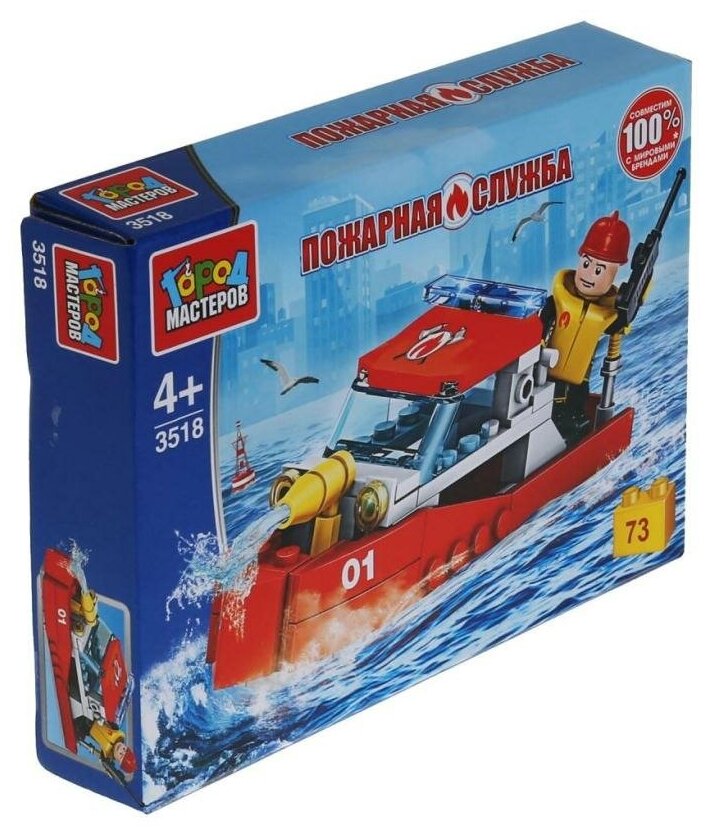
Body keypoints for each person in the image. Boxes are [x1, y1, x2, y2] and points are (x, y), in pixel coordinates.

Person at [541, 210, 630, 441]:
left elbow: (618, 325)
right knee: (548, 405)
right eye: (587, 263)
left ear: (613, 276)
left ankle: (575, 432)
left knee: (574, 411)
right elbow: (541, 322)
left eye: (599, 270)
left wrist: (632, 302)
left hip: (580, 381)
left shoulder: (608, 312)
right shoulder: (557, 301)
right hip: (546, 375)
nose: (589, 275)